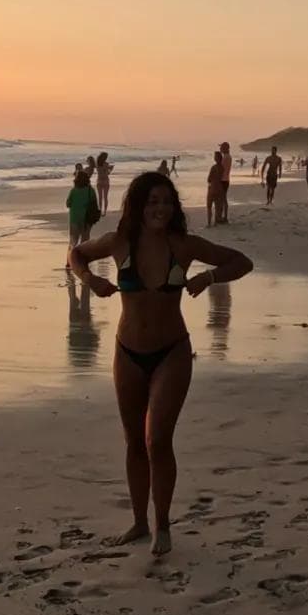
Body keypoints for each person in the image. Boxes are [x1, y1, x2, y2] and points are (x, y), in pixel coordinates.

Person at [69, 169, 252, 558]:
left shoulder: (182, 245)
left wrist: (209, 277)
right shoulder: (120, 243)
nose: (161, 209)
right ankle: (138, 522)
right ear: (138, 205)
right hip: (127, 352)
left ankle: (162, 525)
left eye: (167, 202)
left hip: (172, 352)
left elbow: (242, 261)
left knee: (158, 440)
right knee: (134, 441)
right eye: (153, 202)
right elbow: (77, 254)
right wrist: (89, 281)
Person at [66, 163, 99, 247]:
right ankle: (82, 257)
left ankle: (70, 258)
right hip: (86, 217)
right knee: (85, 240)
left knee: (73, 241)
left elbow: (68, 203)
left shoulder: (74, 190)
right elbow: (94, 203)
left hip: (74, 216)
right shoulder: (90, 190)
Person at [205, 148, 227, 227]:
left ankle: (209, 223)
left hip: (213, 188)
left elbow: (209, 179)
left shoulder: (214, 167)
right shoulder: (222, 168)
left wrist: (211, 180)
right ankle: (215, 222)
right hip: (219, 188)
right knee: (217, 206)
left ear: (217, 158)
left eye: (215, 157)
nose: (214, 158)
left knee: (209, 206)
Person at [95, 151, 113, 216]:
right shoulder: (106, 164)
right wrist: (110, 169)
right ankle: (104, 211)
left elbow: (100, 172)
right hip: (105, 181)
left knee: (100, 197)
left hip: (99, 181)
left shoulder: (97, 164)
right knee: (105, 197)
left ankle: (99, 210)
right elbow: (107, 173)